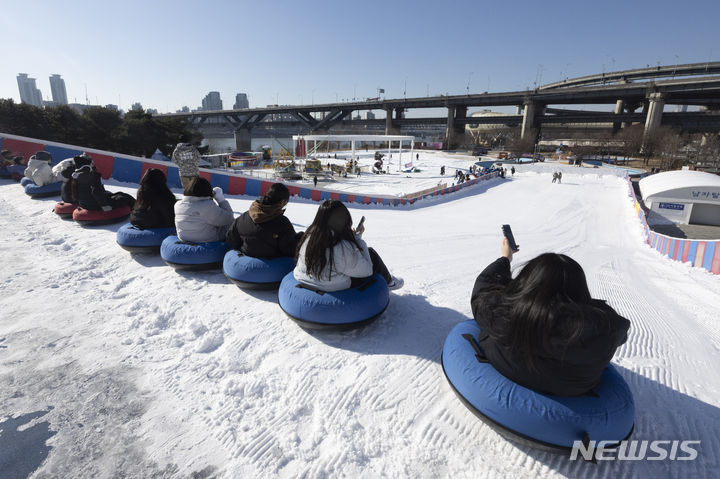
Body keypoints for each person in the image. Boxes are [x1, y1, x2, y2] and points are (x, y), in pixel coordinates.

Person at [470, 238, 630, 396]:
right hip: (571, 388)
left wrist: (505, 259)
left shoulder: (502, 312)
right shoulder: (606, 328)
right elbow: (620, 336)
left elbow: (482, 289)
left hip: (506, 366)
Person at [294, 200, 403, 292]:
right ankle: (390, 282)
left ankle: (389, 280)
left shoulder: (309, 235)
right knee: (371, 254)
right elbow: (367, 270)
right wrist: (358, 241)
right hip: (329, 285)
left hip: (305, 279)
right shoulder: (341, 247)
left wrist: (351, 237)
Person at [226, 183, 303, 258]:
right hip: (270, 264)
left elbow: (231, 238)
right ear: (282, 202)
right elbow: (290, 249)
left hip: (244, 259)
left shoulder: (245, 216)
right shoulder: (282, 223)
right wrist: (300, 238)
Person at [175, 177, 233, 243]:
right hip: (207, 239)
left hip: (183, 238)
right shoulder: (207, 206)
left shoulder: (178, 204)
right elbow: (228, 218)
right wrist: (221, 200)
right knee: (233, 223)